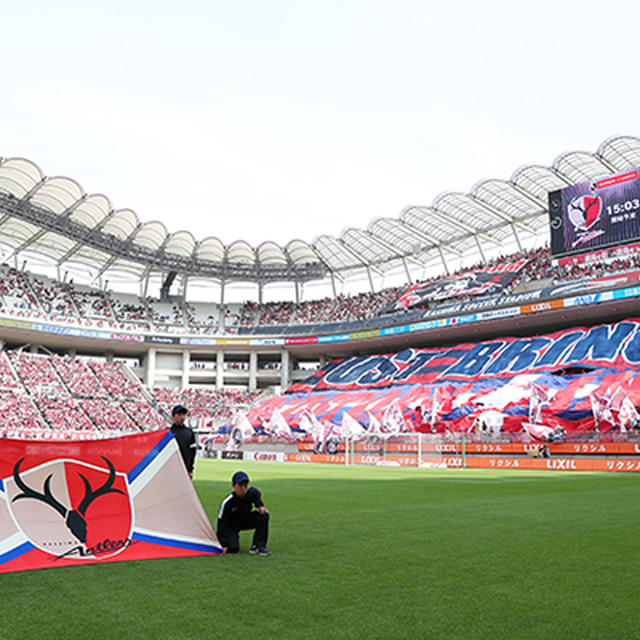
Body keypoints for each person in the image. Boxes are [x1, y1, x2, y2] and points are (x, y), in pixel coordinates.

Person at [217, 471, 270, 556]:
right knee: (233, 548)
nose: (243, 488)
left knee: (263, 515)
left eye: (245, 485)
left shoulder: (250, 493)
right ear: (234, 486)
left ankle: (258, 547)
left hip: (245, 520)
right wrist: (223, 543)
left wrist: (259, 505)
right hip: (231, 526)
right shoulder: (228, 502)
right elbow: (221, 523)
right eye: (240, 485)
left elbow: (256, 492)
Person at [170, 405, 196, 479]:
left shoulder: (189, 432)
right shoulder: (168, 432)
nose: (182, 417)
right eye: (179, 415)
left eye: (183, 415)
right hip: (171, 468)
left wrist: (190, 469)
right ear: (173, 416)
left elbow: (192, 452)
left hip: (185, 468)